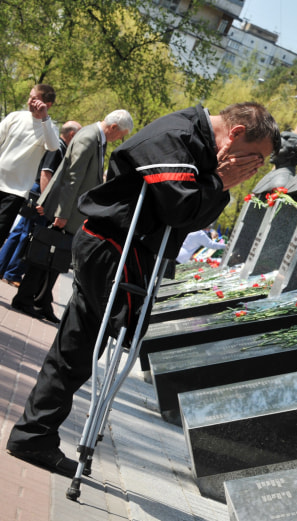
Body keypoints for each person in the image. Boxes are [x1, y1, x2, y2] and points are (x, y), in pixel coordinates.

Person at [6, 102, 280, 477]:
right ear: (234, 134)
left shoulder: (198, 142)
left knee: (81, 344)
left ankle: (33, 433)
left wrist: (213, 185)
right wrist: (218, 183)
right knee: (88, 343)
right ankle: (34, 434)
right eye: (256, 158)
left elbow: (195, 213)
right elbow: (181, 209)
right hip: (113, 249)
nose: (253, 169)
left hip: (129, 252)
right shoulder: (177, 136)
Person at [11, 111, 133, 323]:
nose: (119, 139)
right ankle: (26, 298)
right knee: (45, 258)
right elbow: (72, 179)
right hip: (65, 212)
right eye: (121, 134)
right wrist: (62, 213)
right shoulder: (89, 138)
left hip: (70, 212)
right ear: (113, 127)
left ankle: (41, 300)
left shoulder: (95, 138)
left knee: (55, 259)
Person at [0, 121, 82, 287]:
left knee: (20, 232)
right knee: (27, 234)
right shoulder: (58, 148)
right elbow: (46, 173)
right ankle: (13, 272)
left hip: (38, 191)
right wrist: (44, 200)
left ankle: (5, 268)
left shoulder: (59, 147)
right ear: (72, 135)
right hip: (40, 193)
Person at [0, 85, 59, 243]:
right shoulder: (15, 117)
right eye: (30, 97)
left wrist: (45, 117)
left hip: (15, 191)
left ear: (47, 104)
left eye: (35, 99)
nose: (29, 101)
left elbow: (53, 146)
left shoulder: (50, 128)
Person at [252, 131, 297, 197]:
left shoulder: (282, 180)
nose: (273, 150)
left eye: (279, 148)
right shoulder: (274, 174)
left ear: (291, 155)